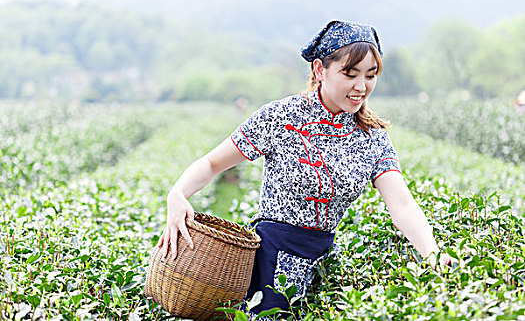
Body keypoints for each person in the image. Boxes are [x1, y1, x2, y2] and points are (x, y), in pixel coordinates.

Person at [156, 20, 455, 314]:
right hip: (273, 260)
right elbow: (212, 163)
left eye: (370, 75)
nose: (361, 87)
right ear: (319, 70)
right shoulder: (281, 117)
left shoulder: (372, 136)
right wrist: (177, 193)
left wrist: (432, 252)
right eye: (350, 74)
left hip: (325, 265)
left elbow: (401, 203)